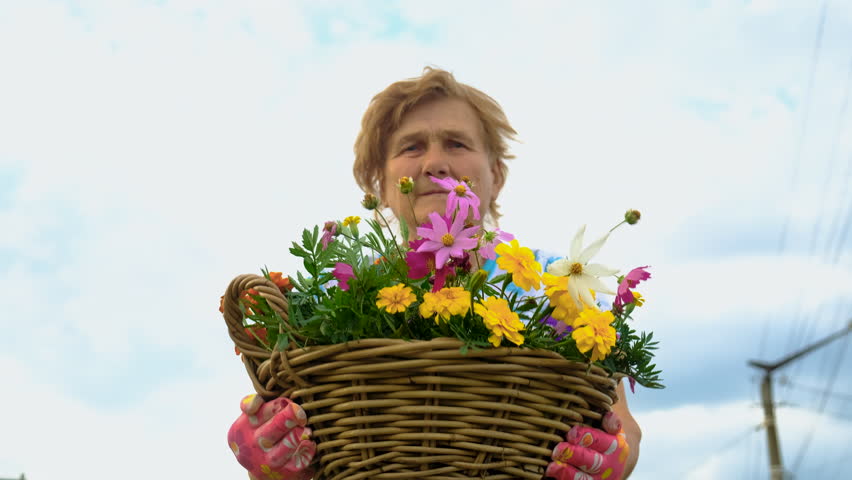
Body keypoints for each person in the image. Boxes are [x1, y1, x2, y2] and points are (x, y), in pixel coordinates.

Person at [227, 67, 642, 480]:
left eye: (457, 143)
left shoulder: (560, 284)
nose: (435, 162)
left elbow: (621, 426)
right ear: (378, 183)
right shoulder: (336, 298)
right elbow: (292, 431)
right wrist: (269, 456)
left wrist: (612, 455)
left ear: (495, 176)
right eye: (411, 147)